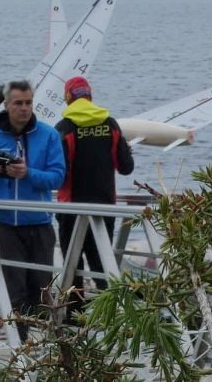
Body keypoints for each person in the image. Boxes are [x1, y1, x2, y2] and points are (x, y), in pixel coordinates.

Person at [0, 79, 65, 340]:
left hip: (39, 220)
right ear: (6, 104)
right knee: (15, 286)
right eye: (18, 103)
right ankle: (21, 343)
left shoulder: (48, 134)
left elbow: (57, 178)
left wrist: (27, 173)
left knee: (41, 285)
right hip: (5, 222)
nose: (24, 108)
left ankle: (48, 341)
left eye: (28, 103)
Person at [54, 76, 133, 316]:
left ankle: (74, 318)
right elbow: (126, 167)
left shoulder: (65, 127)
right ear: (90, 96)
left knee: (73, 264)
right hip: (104, 206)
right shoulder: (111, 124)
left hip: (72, 206)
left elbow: (60, 172)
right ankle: (113, 315)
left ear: (68, 98)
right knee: (102, 263)